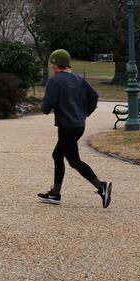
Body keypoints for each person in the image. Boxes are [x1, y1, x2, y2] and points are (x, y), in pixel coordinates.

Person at [37, 49, 111, 208]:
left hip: (67, 126)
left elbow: (47, 106)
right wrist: (85, 113)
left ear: (56, 63)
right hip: (78, 125)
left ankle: (101, 187)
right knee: (58, 155)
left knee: (73, 161)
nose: (51, 66)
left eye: (52, 63)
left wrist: (44, 107)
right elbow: (94, 95)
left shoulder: (55, 81)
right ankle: (55, 193)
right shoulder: (78, 79)